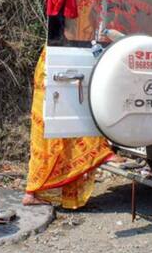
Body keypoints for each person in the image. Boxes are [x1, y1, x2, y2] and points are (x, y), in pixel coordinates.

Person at [22, 47, 115, 208]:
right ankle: (32, 192)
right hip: (52, 91)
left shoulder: (54, 47)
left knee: (54, 143)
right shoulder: (61, 45)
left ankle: (33, 192)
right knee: (61, 140)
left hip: (48, 88)